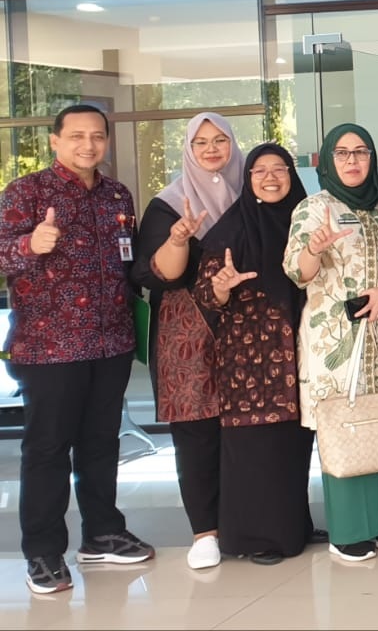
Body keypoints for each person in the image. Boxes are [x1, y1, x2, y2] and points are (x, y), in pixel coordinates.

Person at [0, 104, 155, 594]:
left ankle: (103, 532)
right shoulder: (27, 192)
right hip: (50, 347)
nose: (87, 145)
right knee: (47, 450)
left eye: (97, 137)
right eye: (76, 136)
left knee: (101, 444)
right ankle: (44, 552)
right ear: (54, 140)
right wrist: (30, 245)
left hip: (110, 341)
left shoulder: (117, 194)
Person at [287, 124, 378, 562]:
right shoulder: (313, 208)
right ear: (327, 160)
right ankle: (349, 529)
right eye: (342, 153)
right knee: (346, 421)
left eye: (361, 152)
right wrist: (315, 249)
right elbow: (297, 272)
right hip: (335, 335)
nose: (353, 161)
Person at [131, 112, 243, 570]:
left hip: (247, 331)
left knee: (251, 431)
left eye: (220, 140)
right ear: (188, 150)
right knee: (197, 433)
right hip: (188, 336)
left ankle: (248, 522)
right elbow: (151, 274)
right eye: (201, 143)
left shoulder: (251, 193)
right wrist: (179, 238)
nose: (212, 149)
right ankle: (206, 533)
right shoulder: (169, 204)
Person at [194, 143, 314, 564]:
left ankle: (293, 526)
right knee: (254, 447)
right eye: (259, 170)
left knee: (293, 444)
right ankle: (255, 537)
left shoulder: (308, 219)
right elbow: (206, 292)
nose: (270, 177)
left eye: (279, 168)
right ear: (247, 180)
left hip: (300, 350)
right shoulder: (232, 229)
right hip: (249, 359)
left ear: (291, 175)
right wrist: (223, 287)